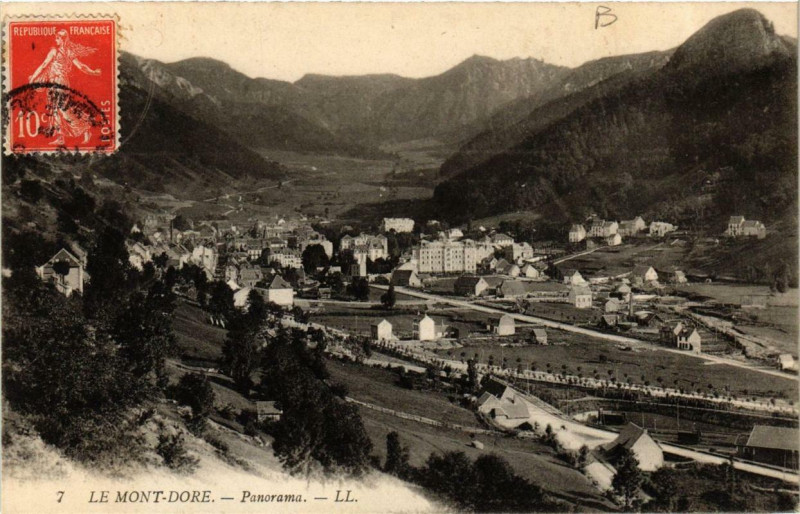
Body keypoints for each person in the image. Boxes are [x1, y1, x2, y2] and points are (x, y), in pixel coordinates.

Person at [27, 29, 101, 145]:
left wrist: (32, 79)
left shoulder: (57, 52)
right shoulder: (66, 52)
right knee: (55, 109)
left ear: (62, 39)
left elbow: (44, 66)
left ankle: (85, 128)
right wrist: (93, 72)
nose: (56, 40)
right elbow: (81, 66)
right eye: (56, 38)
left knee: (62, 109)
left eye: (58, 38)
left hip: (60, 82)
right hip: (54, 82)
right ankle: (60, 138)